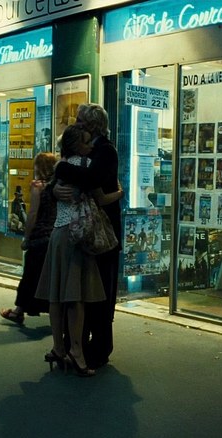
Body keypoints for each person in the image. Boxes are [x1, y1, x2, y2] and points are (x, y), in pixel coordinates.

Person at [35, 124, 123, 376]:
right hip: (78, 236)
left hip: (59, 233)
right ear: (77, 145)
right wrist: (119, 192)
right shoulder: (85, 166)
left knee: (56, 297)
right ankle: (76, 351)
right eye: (85, 142)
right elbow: (101, 198)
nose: (90, 146)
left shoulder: (61, 166)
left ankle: (58, 347)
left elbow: (51, 189)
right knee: (77, 299)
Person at [56, 103, 123, 369]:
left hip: (102, 234)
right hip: (85, 231)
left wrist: (60, 168)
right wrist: (54, 187)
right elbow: (66, 185)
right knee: (83, 293)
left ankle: (99, 348)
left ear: (92, 125)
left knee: (102, 294)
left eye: (80, 119)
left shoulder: (105, 150)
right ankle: (78, 345)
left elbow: (90, 179)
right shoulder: (85, 150)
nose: (76, 123)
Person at [0, 152, 58, 325]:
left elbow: (32, 214)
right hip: (54, 236)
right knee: (50, 277)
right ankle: (55, 314)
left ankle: (18, 311)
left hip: (40, 236)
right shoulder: (57, 186)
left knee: (30, 276)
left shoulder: (38, 186)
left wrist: (26, 237)